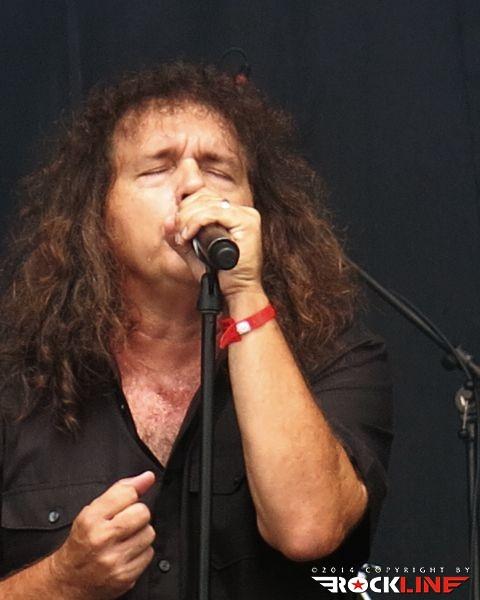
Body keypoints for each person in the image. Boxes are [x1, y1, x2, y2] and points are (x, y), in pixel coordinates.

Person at [0, 61, 392, 599]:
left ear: (257, 209)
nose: (193, 186)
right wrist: (60, 582)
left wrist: (244, 292)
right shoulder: (16, 375)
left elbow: (308, 529)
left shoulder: (335, 358)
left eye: (219, 170)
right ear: (99, 212)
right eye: (156, 169)